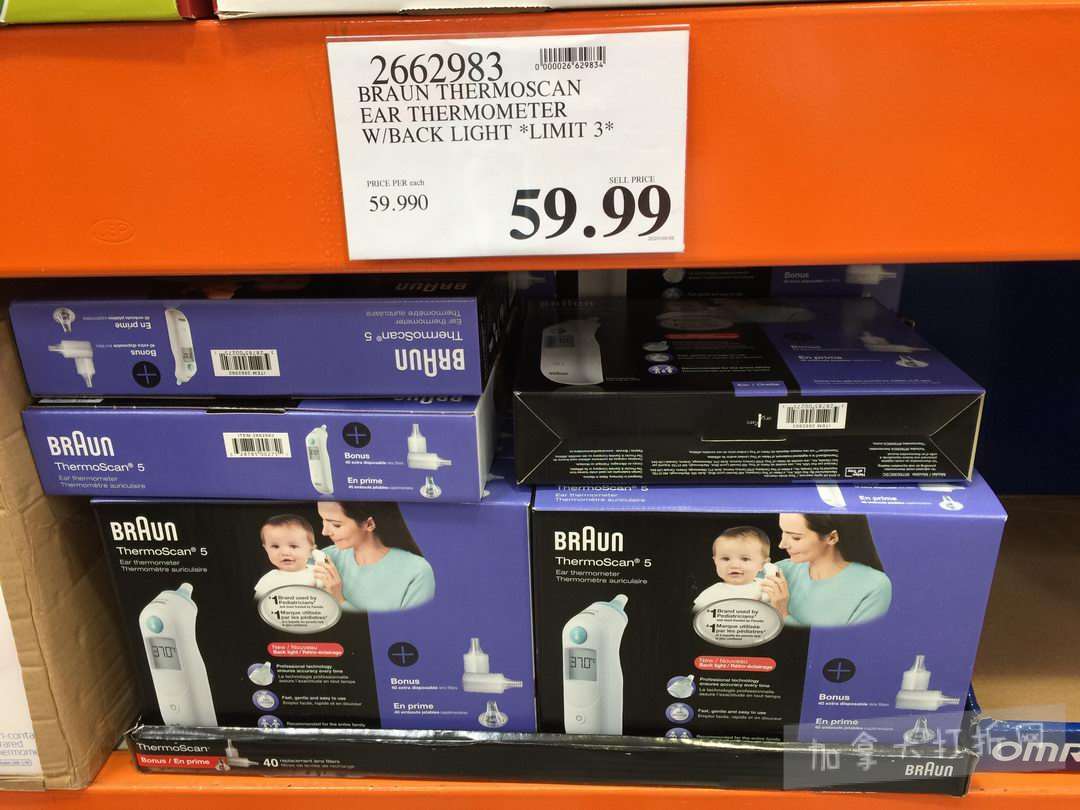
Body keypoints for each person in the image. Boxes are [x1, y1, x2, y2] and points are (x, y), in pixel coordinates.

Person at [760, 513, 891, 627]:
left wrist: (782, 613)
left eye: (796, 538)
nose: (782, 545)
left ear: (832, 538)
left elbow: (853, 641)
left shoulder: (874, 586)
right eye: (783, 532)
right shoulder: (780, 570)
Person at [315, 501, 435, 612]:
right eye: (322, 521)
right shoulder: (325, 557)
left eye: (336, 525)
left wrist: (339, 600)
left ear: (369, 524)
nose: (324, 532)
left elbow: (411, 625)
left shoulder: (417, 571)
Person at [692, 526, 774, 613]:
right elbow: (696, 616)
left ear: (763, 564)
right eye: (726, 559)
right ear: (715, 562)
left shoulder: (766, 588)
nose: (734, 565)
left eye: (745, 559)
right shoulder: (712, 593)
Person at [253, 514, 323, 600]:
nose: (284, 552)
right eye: (275, 546)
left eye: (293, 546)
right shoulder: (269, 579)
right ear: (266, 549)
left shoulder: (318, 574)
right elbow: (257, 605)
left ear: (311, 551)